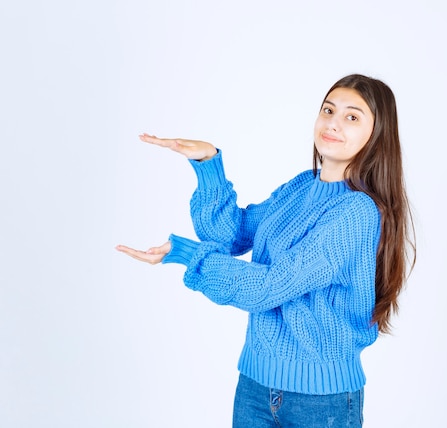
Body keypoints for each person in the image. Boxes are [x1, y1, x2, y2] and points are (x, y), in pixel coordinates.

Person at [116, 74, 415, 427]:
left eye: (352, 117)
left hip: (321, 402)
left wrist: (186, 254)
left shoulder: (356, 213)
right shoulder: (301, 186)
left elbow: (269, 287)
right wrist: (208, 165)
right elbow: (232, 234)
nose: (333, 123)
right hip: (255, 387)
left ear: (377, 134)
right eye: (328, 110)